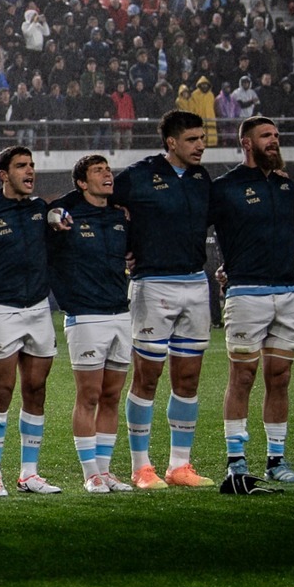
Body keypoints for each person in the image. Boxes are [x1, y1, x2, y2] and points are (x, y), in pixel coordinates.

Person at [110, 110, 217, 489]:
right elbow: (100, 201)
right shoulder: (140, 175)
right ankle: (142, 467)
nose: (200, 145)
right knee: (147, 377)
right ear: (171, 142)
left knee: (188, 379)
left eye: (202, 138)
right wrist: (120, 243)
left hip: (194, 283)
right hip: (152, 284)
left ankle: (179, 467)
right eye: (192, 139)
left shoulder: (203, 179)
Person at [208, 117, 294, 483]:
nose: (274, 141)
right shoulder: (226, 187)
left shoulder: (286, 186)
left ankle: (276, 461)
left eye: (277, 135)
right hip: (246, 292)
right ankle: (236, 460)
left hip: (285, 291)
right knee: (243, 376)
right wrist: (222, 267)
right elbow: (194, 228)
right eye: (267, 136)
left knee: (280, 378)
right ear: (246, 143)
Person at [46, 156, 138, 493]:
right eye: (98, 171)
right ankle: (90, 474)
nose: (107, 175)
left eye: (108, 170)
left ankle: (105, 470)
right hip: (85, 316)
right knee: (89, 395)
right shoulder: (67, 214)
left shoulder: (118, 216)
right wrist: (55, 216)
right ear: (82, 182)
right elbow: (53, 212)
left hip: (120, 313)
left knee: (112, 396)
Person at [0, 146, 57, 497]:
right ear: (3, 175)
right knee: (2, 392)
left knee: (36, 391)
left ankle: (29, 474)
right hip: (1, 310)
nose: (30, 171)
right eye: (21, 166)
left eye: (32, 165)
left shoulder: (41, 211)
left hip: (38, 309)